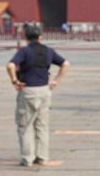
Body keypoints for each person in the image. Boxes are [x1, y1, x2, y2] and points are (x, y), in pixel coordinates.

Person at [6, 24, 69, 166]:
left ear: (26, 37)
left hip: (28, 90)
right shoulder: (48, 51)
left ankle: (27, 158)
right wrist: (56, 81)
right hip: (44, 90)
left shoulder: (24, 51)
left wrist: (14, 81)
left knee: (25, 125)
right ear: (41, 37)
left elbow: (10, 65)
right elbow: (65, 63)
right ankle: (42, 157)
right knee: (42, 125)